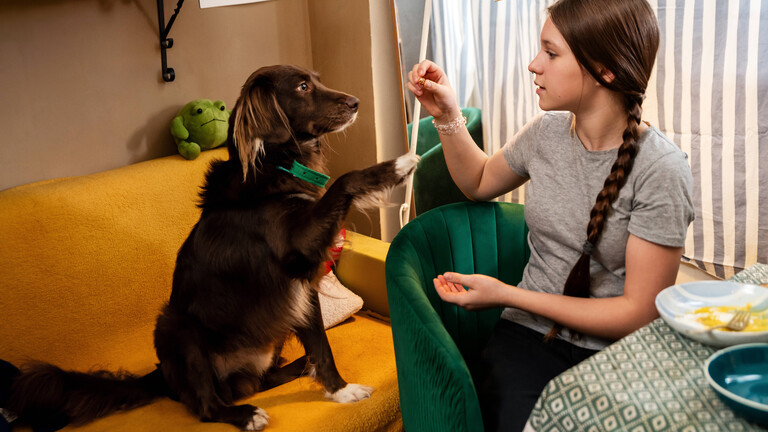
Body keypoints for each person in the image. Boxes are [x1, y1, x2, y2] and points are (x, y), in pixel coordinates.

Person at [406, 0, 695, 430]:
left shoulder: (661, 170)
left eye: (551, 53)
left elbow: (639, 313)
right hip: (527, 340)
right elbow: (480, 180)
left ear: (605, 70)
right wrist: (447, 115)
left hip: (616, 353)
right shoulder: (545, 135)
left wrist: (506, 294)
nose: (532, 64)